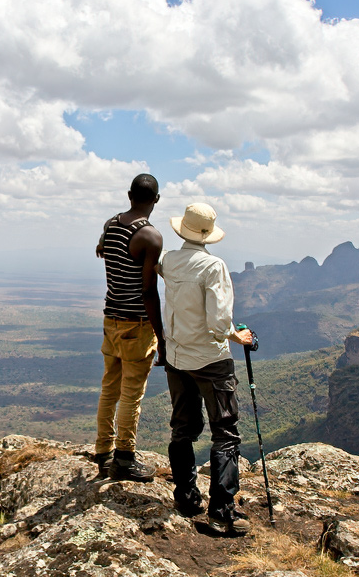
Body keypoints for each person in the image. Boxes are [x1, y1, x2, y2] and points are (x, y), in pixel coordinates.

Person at [158, 202, 255, 535]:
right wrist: (237, 336)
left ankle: (185, 497)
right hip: (211, 362)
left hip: (176, 358)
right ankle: (221, 511)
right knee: (225, 433)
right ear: (208, 234)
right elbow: (218, 324)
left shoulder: (168, 261)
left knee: (182, 428)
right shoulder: (214, 267)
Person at [93, 174, 166, 481]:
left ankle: (103, 451)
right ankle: (124, 458)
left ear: (129, 195)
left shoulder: (111, 225)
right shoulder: (150, 237)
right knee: (131, 393)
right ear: (157, 200)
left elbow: (101, 249)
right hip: (136, 323)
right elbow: (148, 290)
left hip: (111, 318)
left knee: (110, 387)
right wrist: (161, 335)